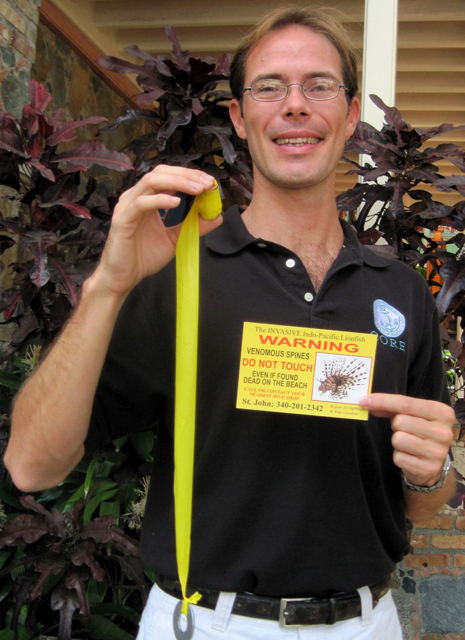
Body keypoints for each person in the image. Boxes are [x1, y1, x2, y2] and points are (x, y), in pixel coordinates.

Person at [5, 5, 456, 639]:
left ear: (351, 115)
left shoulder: (401, 291)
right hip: (206, 623)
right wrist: (108, 286)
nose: (294, 105)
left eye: (319, 85)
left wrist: (433, 472)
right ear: (241, 119)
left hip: (364, 623)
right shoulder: (180, 269)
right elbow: (32, 466)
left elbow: (422, 499)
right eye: (270, 86)